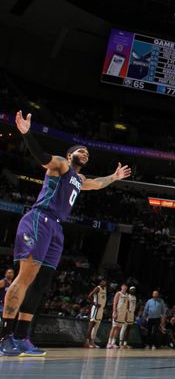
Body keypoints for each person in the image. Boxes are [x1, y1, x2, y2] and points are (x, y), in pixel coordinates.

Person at [1, 111, 131, 357]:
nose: (86, 153)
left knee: (40, 284)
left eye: (88, 153)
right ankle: (4, 336)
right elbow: (40, 156)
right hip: (40, 218)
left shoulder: (79, 179)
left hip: (57, 227)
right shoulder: (61, 164)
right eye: (81, 150)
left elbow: (97, 183)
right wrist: (27, 134)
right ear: (71, 154)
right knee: (25, 278)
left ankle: (21, 337)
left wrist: (113, 177)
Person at [85, 278, 108, 348]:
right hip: (96, 309)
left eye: (105, 281)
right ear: (100, 282)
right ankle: (87, 342)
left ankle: (92, 342)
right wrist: (95, 304)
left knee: (96, 326)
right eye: (103, 281)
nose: (104, 282)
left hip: (101, 309)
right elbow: (89, 295)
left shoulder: (105, 289)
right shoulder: (97, 288)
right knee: (91, 325)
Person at [107, 283, 129, 349]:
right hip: (117, 312)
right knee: (114, 327)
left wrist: (126, 314)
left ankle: (113, 343)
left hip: (123, 313)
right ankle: (109, 343)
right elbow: (114, 303)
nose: (124, 287)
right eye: (123, 286)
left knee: (118, 328)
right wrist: (114, 312)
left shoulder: (127, 295)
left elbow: (127, 305)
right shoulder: (118, 294)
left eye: (125, 287)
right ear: (121, 287)